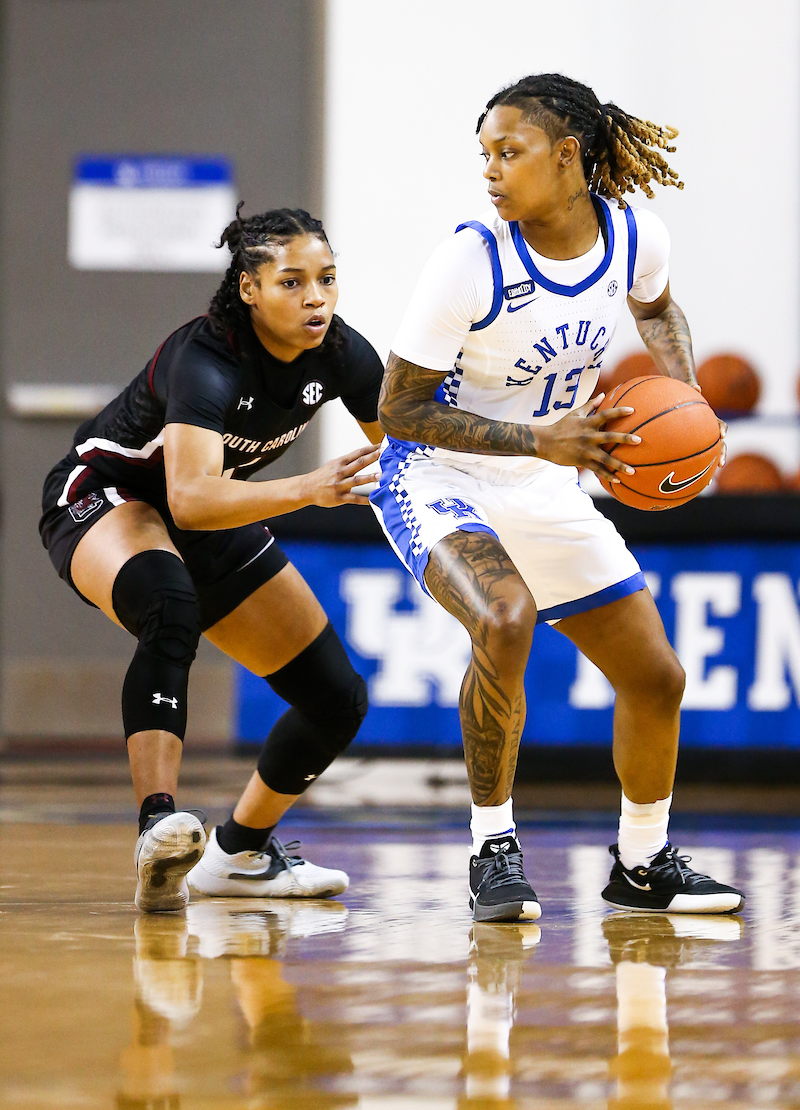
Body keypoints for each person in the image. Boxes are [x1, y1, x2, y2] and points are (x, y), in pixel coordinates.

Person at [372, 73, 744, 923]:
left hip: (544, 476)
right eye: (485, 156)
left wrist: (686, 399)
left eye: (510, 152)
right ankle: (492, 847)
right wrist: (543, 439)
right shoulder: (470, 259)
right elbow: (400, 409)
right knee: (504, 618)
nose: (491, 171)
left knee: (657, 677)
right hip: (435, 474)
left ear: (569, 155)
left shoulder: (635, 238)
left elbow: (658, 311)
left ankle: (643, 862)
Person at [40, 206, 383, 913]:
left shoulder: (345, 354)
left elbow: (407, 456)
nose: (315, 297)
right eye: (292, 282)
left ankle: (240, 853)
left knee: (336, 698)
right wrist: (310, 490)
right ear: (251, 289)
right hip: (108, 498)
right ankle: (158, 825)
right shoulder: (206, 356)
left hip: (212, 507)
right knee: (170, 605)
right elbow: (190, 499)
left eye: (327, 279)